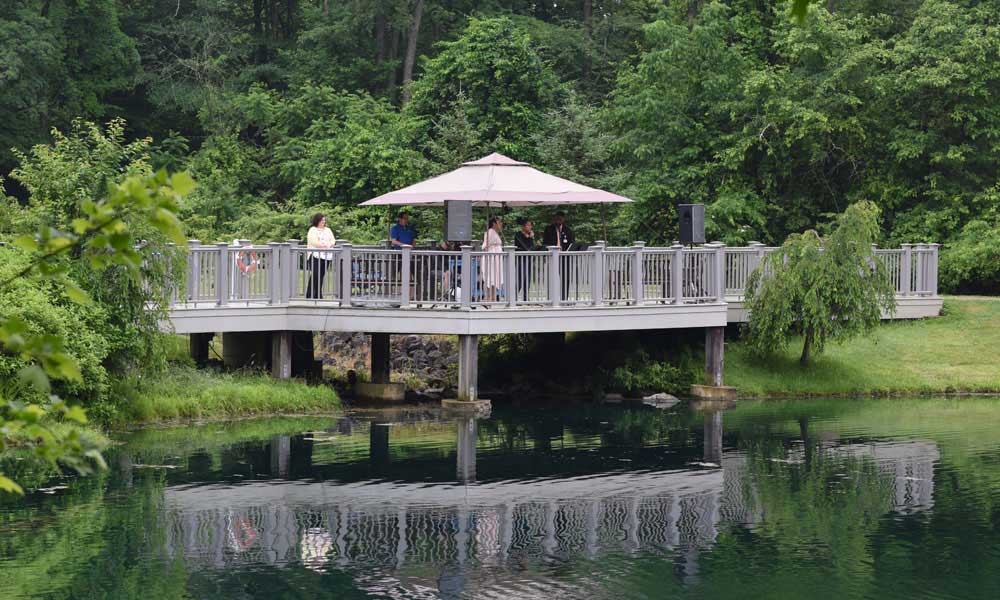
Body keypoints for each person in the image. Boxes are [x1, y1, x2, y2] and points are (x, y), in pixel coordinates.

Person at [305, 213, 336, 299]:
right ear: (317, 221)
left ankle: (318, 294)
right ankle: (310, 294)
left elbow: (333, 240)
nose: (324, 222)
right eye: (322, 220)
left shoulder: (328, 230)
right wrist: (321, 245)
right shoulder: (313, 230)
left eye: (324, 220)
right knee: (315, 274)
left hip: (326, 256)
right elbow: (313, 241)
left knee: (321, 275)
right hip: (314, 255)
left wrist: (329, 245)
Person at [480, 216, 504, 303]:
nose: (501, 224)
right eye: (499, 222)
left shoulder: (495, 233)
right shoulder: (490, 232)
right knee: (489, 276)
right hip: (491, 258)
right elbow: (485, 245)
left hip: (496, 258)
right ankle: (487, 297)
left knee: (494, 276)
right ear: (494, 223)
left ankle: (493, 297)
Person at [513, 217, 536, 301]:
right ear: (523, 226)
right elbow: (525, 247)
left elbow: (532, 247)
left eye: (531, 225)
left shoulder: (530, 236)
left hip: (529, 259)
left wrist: (531, 238)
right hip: (521, 260)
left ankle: (526, 298)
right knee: (520, 279)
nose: (530, 227)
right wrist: (530, 238)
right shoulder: (518, 235)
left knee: (527, 279)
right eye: (528, 225)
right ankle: (514, 298)